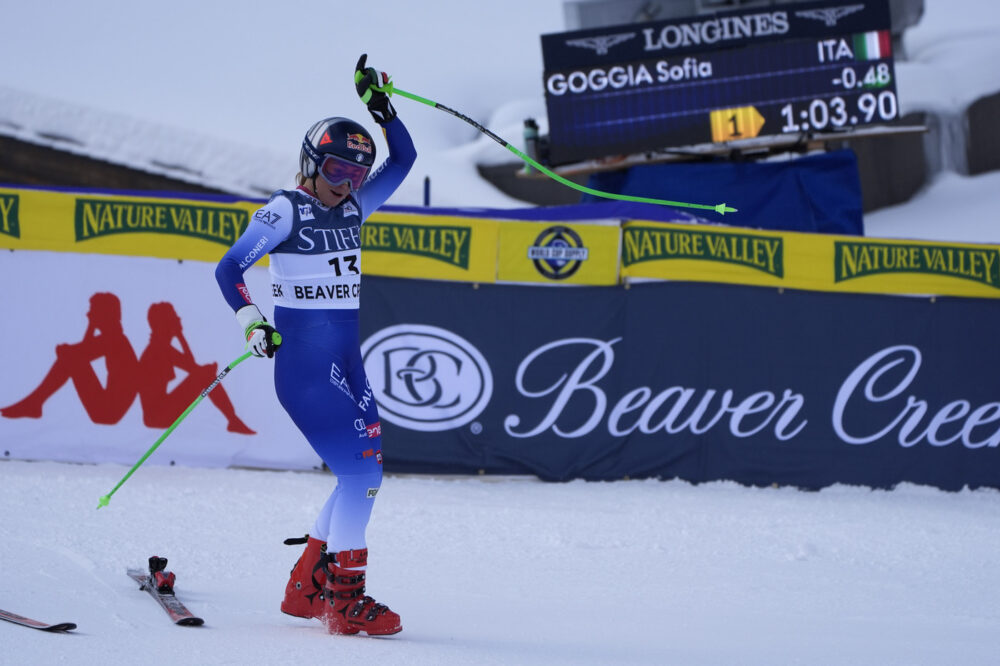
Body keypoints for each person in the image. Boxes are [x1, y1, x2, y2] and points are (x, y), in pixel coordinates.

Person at [214, 54, 415, 636]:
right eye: (335, 172)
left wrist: (381, 110)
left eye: (357, 176)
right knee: (362, 477)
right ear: (311, 164)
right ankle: (345, 600)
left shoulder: (354, 207)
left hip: (347, 363)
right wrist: (252, 320)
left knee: (363, 469)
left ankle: (307, 588)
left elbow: (404, 160)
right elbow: (229, 268)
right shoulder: (286, 209)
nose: (346, 185)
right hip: (304, 366)